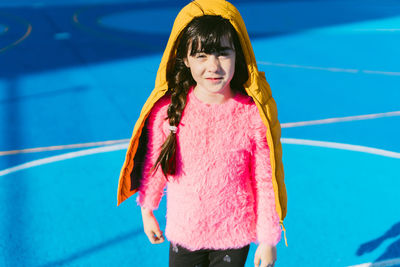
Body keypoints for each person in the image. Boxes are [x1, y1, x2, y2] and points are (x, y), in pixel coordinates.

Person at [116, 0, 288, 266]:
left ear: (237, 55)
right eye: (201, 55)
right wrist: (147, 209)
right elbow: (157, 165)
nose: (213, 66)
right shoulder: (170, 110)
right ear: (184, 59)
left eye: (222, 53)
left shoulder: (251, 115)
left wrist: (267, 239)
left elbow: (264, 180)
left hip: (233, 235)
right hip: (185, 232)